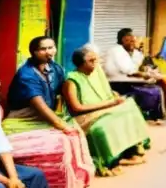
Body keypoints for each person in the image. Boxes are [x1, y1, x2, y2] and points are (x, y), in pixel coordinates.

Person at [2, 36, 95, 184]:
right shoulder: (26, 75)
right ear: (33, 52)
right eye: (43, 49)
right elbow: (40, 106)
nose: (48, 52)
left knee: (76, 132)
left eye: (51, 47)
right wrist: (61, 125)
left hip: (47, 113)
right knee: (65, 137)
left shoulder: (55, 68)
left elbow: (64, 91)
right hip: (24, 116)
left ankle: (80, 177)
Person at [63, 46, 151, 177]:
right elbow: (77, 108)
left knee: (130, 108)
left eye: (95, 60)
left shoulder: (96, 73)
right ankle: (111, 161)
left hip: (101, 109)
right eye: (90, 61)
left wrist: (113, 98)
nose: (95, 63)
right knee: (107, 125)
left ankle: (131, 151)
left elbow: (106, 92)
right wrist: (109, 104)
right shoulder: (71, 80)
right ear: (80, 63)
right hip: (83, 118)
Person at [103, 28, 166, 121]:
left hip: (126, 80)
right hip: (116, 83)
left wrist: (147, 70)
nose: (134, 43)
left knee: (159, 84)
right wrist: (145, 75)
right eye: (131, 41)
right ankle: (154, 116)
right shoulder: (116, 51)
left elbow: (137, 67)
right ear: (124, 40)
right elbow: (129, 71)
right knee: (155, 90)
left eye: (134, 41)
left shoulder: (131, 52)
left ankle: (157, 115)